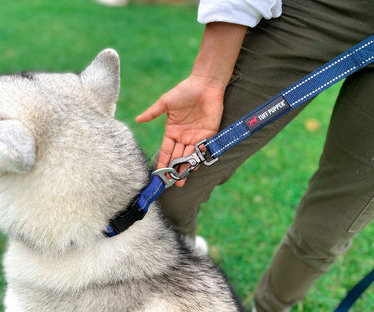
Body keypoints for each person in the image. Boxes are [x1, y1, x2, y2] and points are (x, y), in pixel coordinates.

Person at [136, 0, 374, 311]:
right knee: (173, 194)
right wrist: (209, 77)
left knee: (326, 229)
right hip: (319, 9)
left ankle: (269, 307)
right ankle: (182, 292)